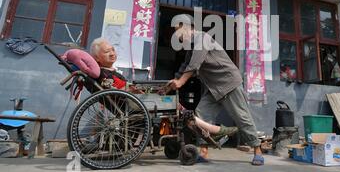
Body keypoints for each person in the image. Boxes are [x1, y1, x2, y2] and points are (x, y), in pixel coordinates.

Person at [164, 15, 265, 166]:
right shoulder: (191, 46)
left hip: (228, 82)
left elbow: (194, 64)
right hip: (213, 87)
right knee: (200, 116)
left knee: (242, 117)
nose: (177, 35)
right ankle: (204, 152)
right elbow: (185, 65)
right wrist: (171, 83)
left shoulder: (202, 38)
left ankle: (257, 150)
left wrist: (180, 82)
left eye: (178, 31)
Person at [89, 37, 237, 139]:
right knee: (175, 105)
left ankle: (208, 131)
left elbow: (126, 88)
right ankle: (212, 130)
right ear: (96, 58)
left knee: (176, 105)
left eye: (113, 49)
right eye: (107, 51)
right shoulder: (103, 74)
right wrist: (139, 89)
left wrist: (142, 90)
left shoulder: (109, 72)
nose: (112, 53)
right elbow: (122, 89)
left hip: (135, 100)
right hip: (133, 103)